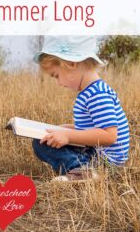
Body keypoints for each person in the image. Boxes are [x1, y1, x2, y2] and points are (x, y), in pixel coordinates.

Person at [32, 36, 130, 182]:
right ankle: (81, 170)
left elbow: (109, 136)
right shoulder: (90, 91)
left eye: (56, 75)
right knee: (40, 141)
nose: (59, 83)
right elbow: (91, 128)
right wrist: (66, 129)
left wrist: (68, 136)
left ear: (71, 64)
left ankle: (83, 172)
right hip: (96, 152)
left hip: (105, 161)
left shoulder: (97, 94)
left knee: (42, 145)